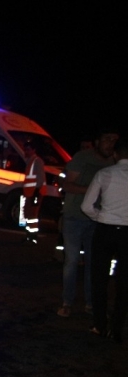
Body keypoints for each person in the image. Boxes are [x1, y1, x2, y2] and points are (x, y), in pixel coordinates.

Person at [56, 129, 118, 317]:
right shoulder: (82, 158)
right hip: (75, 216)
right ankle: (67, 302)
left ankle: (91, 304)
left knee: (95, 263)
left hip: (99, 219)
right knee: (72, 261)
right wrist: (93, 191)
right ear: (97, 141)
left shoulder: (116, 161)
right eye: (107, 139)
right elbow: (67, 185)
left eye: (115, 140)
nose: (111, 144)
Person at [82, 138, 128, 343]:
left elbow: (86, 206)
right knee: (124, 282)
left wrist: (99, 216)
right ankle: (117, 327)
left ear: (116, 155)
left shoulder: (105, 173)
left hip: (105, 230)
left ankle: (99, 324)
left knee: (99, 278)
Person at [21, 141, 46, 244]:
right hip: (30, 193)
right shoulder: (30, 161)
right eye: (25, 149)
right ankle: (29, 235)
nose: (26, 151)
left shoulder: (37, 161)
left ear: (33, 150)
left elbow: (40, 178)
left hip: (35, 193)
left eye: (28, 149)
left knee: (32, 216)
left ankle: (32, 237)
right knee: (28, 214)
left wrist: (36, 192)